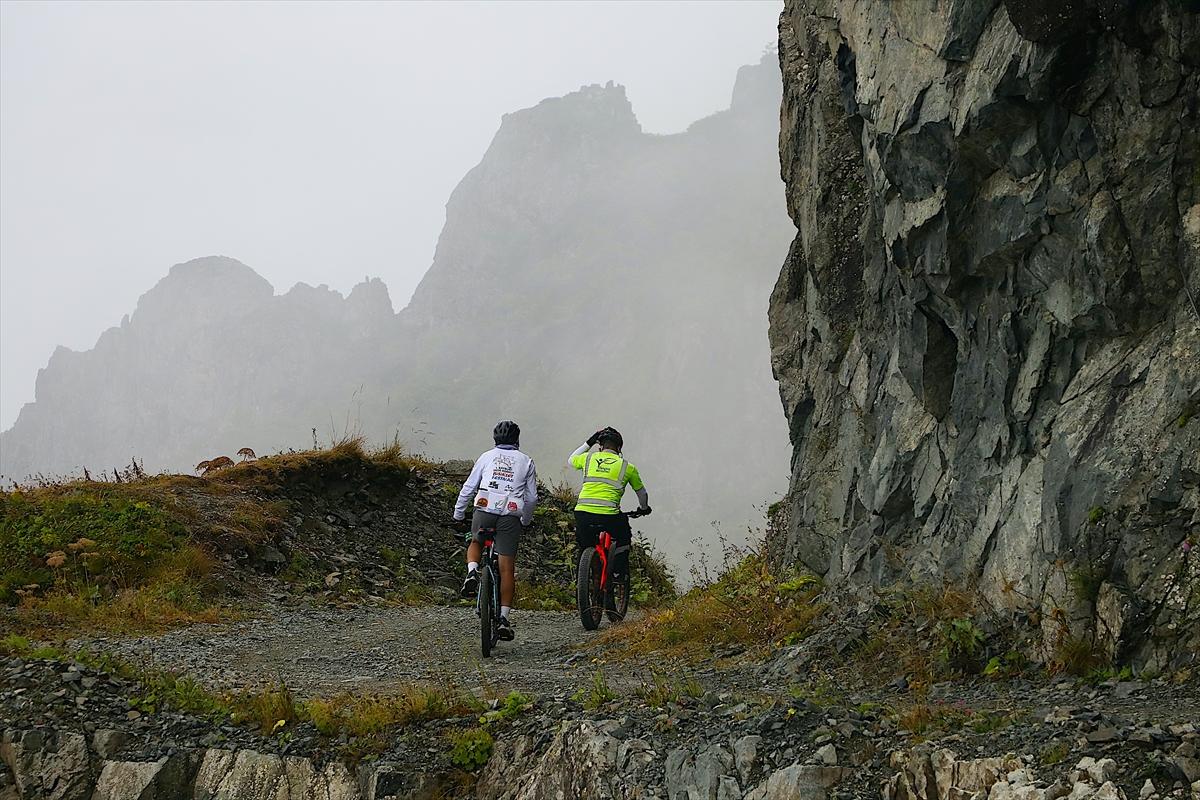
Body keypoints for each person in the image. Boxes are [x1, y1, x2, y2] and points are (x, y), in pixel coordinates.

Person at [453, 420, 537, 641]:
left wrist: (458, 514)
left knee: (476, 542)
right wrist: (526, 520)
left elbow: (469, 487)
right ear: (517, 439)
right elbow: (531, 498)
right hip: (510, 513)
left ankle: (472, 572)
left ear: (495, 439)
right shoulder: (526, 461)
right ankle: (503, 619)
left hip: (485, 506)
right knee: (507, 569)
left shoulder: (486, 457)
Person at [567, 427, 650, 597]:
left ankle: (583, 576)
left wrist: (589, 441)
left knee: (585, 545)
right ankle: (618, 573)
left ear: (600, 446)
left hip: (582, 512)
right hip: (609, 515)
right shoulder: (627, 467)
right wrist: (643, 509)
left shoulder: (588, 458)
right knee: (623, 536)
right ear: (619, 449)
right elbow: (642, 493)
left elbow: (571, 460)